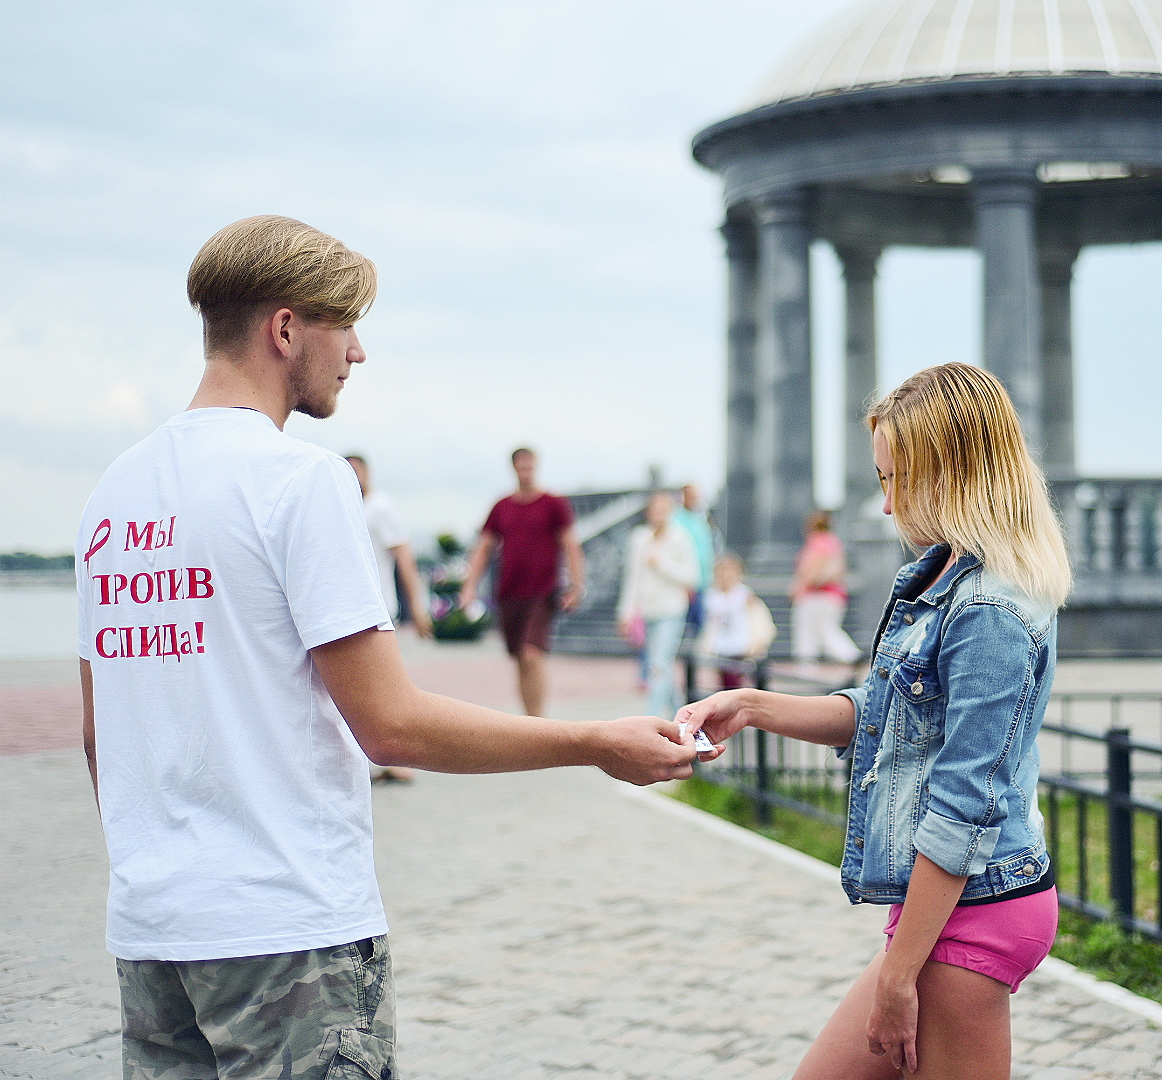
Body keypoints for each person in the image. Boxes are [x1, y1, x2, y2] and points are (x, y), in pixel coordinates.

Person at [75, 215, 697, 1080]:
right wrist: (592, 742)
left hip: (151, 933)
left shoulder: (115, 492)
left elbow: (101, 731)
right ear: (286, 328)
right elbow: (393, 728)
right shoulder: (299, 478)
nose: (358, 352)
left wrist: (159, 872)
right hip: (286, 930)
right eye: (347, 324)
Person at [679, 362, 1070, 1080]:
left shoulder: (989, 609)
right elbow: (888, 713)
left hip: (976, 903)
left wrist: (897, 980)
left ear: (950, 475)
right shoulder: (942, 575)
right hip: (950, 898)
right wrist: (752, 706)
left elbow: (963, 807)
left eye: (892, 479)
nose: (885, 505)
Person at [459, 448, 585, 716]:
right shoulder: (502, 506)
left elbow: (570, 544)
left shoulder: (553, 503)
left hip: (542, 591)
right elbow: (484, 547)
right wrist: (469, 586)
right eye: (521, 466)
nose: (525, 470)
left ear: (536, 466)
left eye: (530, 465)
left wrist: (576, 585)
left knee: (532, 653)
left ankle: (539, 720)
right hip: (509, 591)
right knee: (519, 658)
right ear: (514, 468)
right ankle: (529, 718)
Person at [347, 454, 432, 784]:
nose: (354, 476)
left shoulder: (381, 507)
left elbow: (405, 560)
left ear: (368, 472)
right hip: (350, 608)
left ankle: (397, 761)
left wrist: (419, 608)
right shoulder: (344, 503)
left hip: (378, 606)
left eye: (358, 470)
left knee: (386, 686)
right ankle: (374, 760)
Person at [618, 490, 699, 719]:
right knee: (661, 666)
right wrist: (626, 612)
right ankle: (682, 716)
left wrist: (661, 562)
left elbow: (691, 576)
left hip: (671, 610)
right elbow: (633, 577)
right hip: (648, 610)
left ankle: (650, 717)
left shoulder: (681, 537)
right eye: (655, 510)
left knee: (659, 666)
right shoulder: (640, 538)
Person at [790, 509, 862, 667]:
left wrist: (799, 585)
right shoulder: (834, 541)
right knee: (826, 629)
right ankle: (851, 656)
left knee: (809, 633)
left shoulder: (817, 542)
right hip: (833, 595)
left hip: (816, 595)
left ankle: (846, 657)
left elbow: (812, 569)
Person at [698, 552, 775, 690]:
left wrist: (758, 642)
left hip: (741, 648)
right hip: (721, 648)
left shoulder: (745, 595)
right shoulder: (712, 597)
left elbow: (760, 620)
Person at [675, 483, 717, 637]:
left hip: (703, 581)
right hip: (685, 583)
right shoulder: (676, 520)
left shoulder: (701, 518)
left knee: (702, 627)